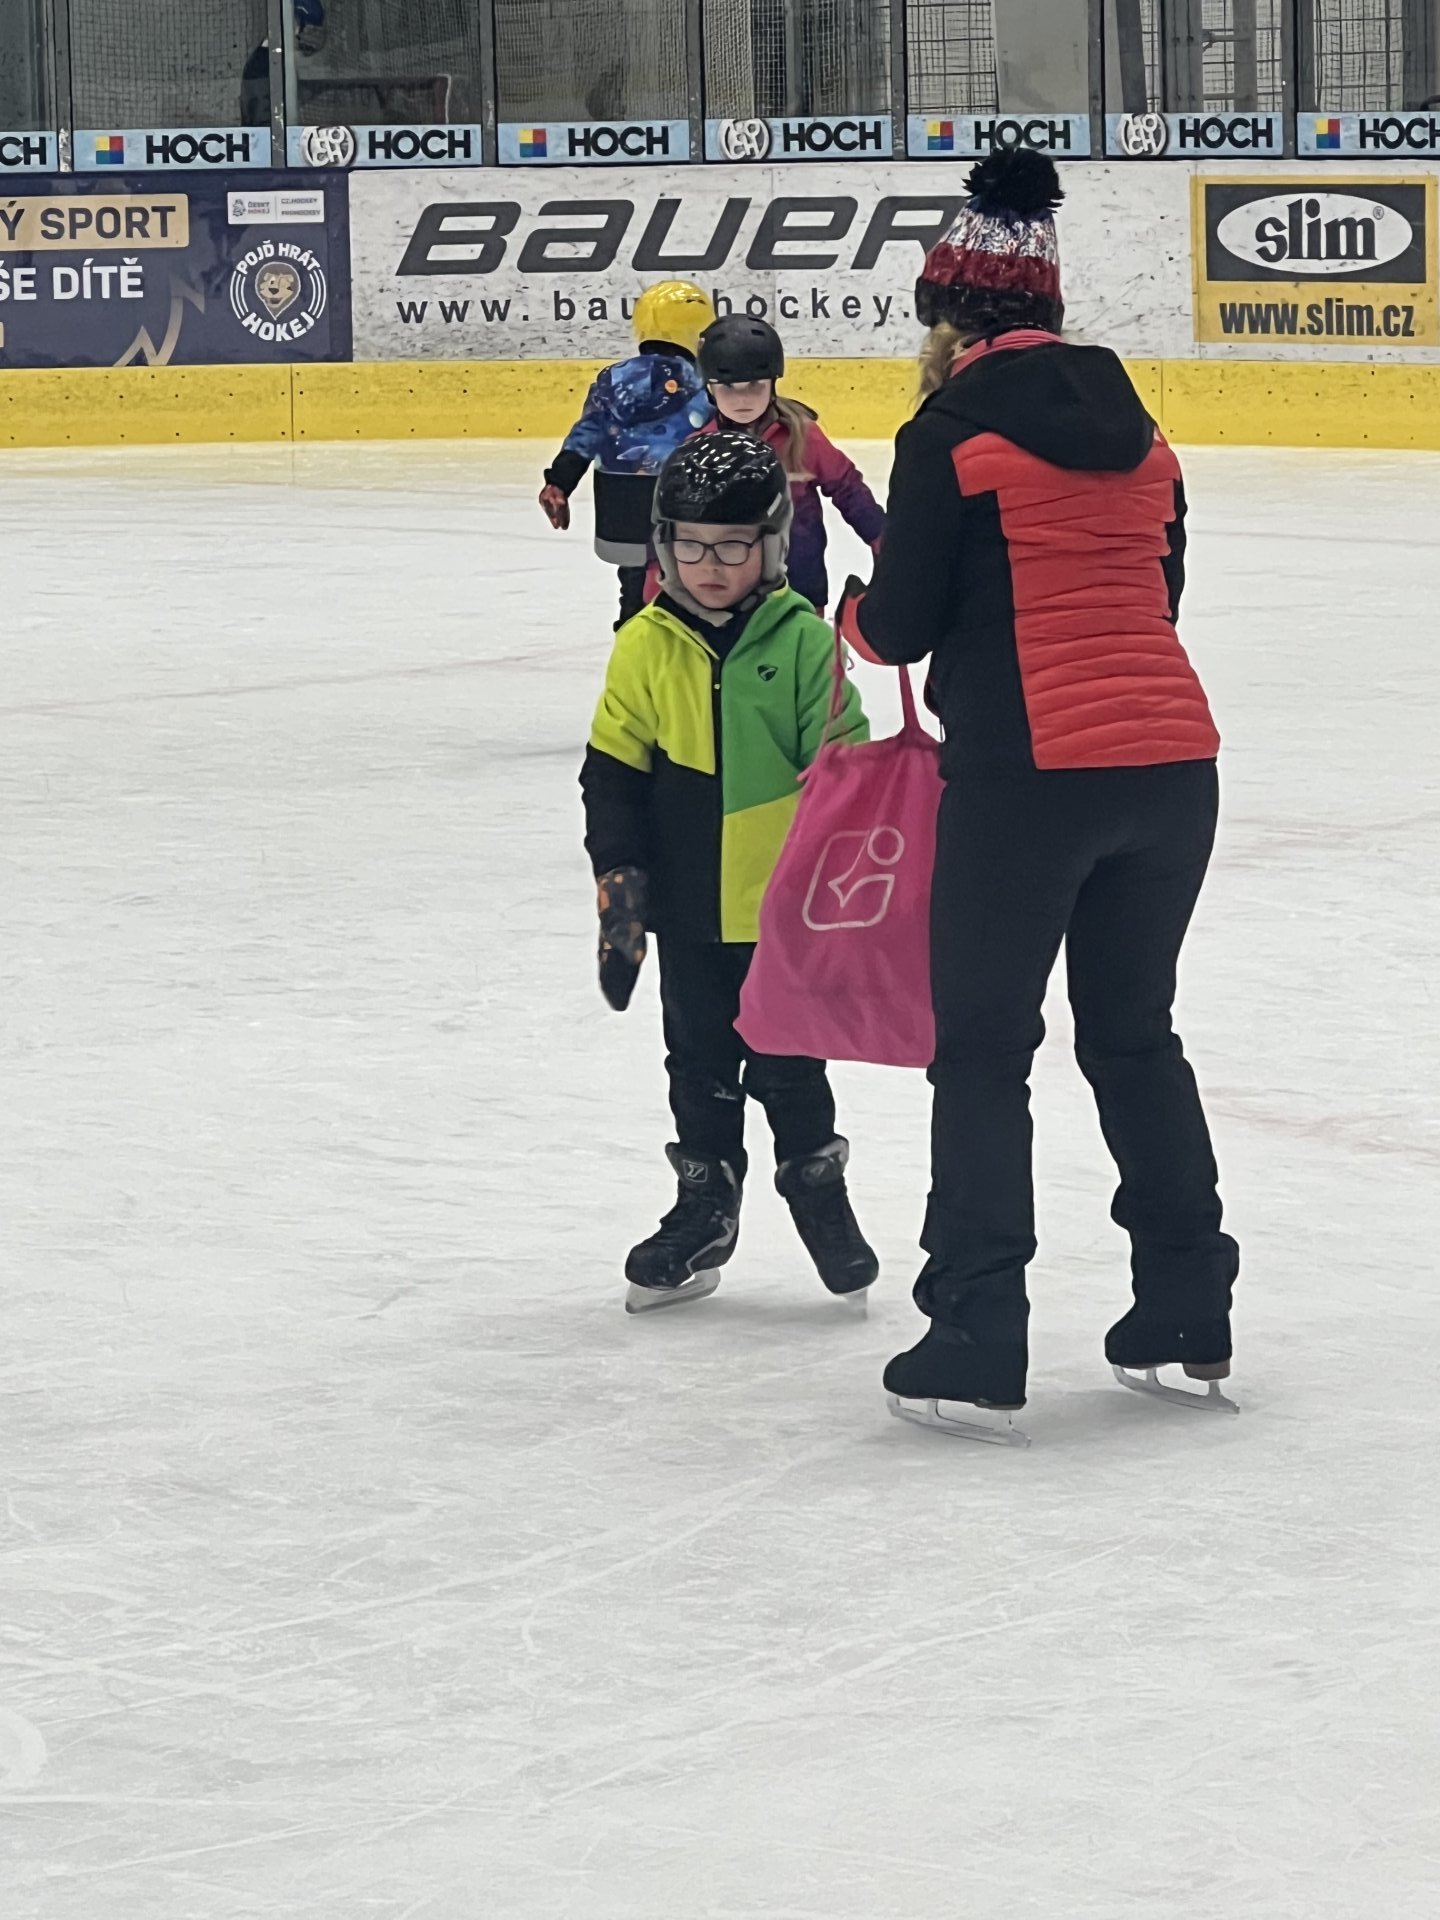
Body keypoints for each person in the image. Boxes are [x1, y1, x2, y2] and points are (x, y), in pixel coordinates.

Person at [838, 149, 1239, 1431]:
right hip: (1171, 767)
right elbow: (1161, 595)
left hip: (1031, 776)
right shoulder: (1147, 435)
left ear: (949, 324)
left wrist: (851, 620)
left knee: (982, 1051)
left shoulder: (947, 434)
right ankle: (1187, 1309)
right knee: (1133, 1036)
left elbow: (899, 625)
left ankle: (973, 1331)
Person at [580, 433, 879, 1314]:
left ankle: (819, 1194)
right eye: (693, 546)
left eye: (734, 546)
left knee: (790, 1066)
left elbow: (846, 768)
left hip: (782, 913)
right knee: (697, 1062)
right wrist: (621, 885)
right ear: (665, 546)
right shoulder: (644, 646)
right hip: (689, 910)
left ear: (773, 546)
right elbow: (612, 774)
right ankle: (705, 1205)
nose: (711, 566)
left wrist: (842, 882)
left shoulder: (806, 645)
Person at [540, 282, 716, 630]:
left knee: (634, 583)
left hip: (621, 497)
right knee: (688, 578)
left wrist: (560, 480)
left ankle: (633, 634)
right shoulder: (704, 382)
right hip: (682, 496)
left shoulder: (612, 379)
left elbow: (587, 432)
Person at [693, 315, 884, 614]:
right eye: (728, 387)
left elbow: (847, 488)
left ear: (773, 383)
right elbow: (677, 520)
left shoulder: (802, 437)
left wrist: (881, 538)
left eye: (754, 384)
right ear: (709, 389)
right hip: (727, 593)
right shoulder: (699, 448)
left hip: (801, 588)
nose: (742, 399)